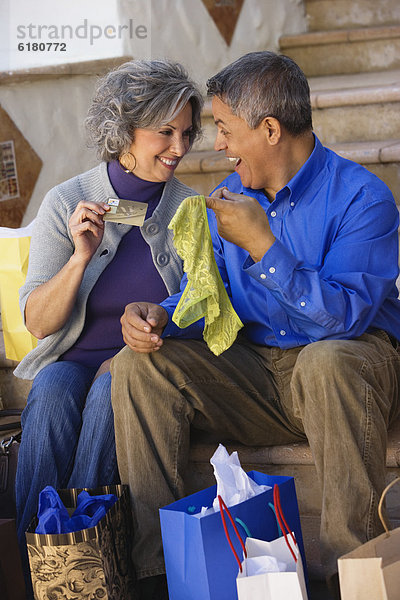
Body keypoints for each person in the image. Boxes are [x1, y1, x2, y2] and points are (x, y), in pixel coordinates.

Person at [110, 51, 400, 599]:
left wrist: (264, 247)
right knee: (139, 365)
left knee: (327, 359)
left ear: (269, 130)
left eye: (224, 128)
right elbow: (211, 301)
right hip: (259, 376)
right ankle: (159, 573)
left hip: (351, 374)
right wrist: (160, 317)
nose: (216, 144)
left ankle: (350, 573)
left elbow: (344, 320)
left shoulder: (364, 199)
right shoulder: (231, 199)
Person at [14, 58, 202, 598]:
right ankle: (38, 576)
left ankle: (85, 572)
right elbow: (36, 323)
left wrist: (166, 315)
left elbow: (201, 304)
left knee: (107, 393)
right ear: (123, 132)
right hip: (70, 361)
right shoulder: (66, 201)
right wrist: (78, 259)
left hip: (142, 367)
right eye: (164, 132)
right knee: (49, 394)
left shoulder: (188, 209)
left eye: (186, 132)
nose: (179, 147)